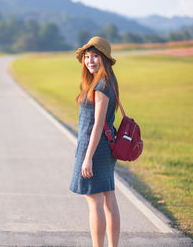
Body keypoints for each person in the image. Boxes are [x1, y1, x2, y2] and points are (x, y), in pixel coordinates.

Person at [69, 36, 120, 247]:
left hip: (95, 148)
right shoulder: (105, 82)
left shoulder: (101, 85)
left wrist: (87, 157)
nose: (90, 61)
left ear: (105, 59)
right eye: (87, 57)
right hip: (104, 147)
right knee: (108, 198)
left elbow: (97, 125)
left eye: (95, 56)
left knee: (94, 202)